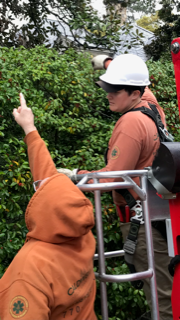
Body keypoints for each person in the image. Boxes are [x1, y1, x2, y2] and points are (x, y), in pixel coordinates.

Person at [58, 54, 173, 320]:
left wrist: (73, 177)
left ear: (134, 93)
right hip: (158, 218)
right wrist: (109, 62)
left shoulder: (131, 122)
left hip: (141, 224)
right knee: (166, 284)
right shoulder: (152, 108)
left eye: (114, 89)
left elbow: (111, 178)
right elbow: (138, 79)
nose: (107, 94)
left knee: (161, 295)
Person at [0, 94, 97, 320]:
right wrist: (29, 127)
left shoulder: (29, 270)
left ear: (41, 210)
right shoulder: (82, 236)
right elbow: (49, 177)